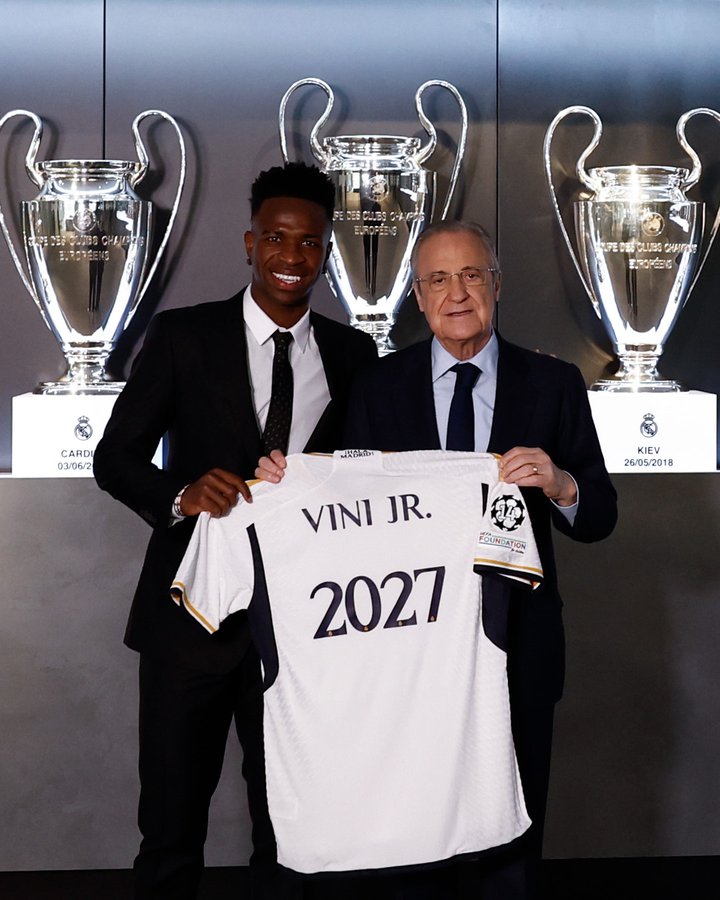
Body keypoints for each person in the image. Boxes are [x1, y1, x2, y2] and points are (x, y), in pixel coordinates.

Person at [258, 220, 617, 899]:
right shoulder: (378, 385)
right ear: (418, 298)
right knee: (413, 838)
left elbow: (600, 515)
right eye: (439, 280)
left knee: (511, 840)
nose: (457, 294)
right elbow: (345, 504)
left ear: (497, 285)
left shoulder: (554, 382)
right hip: (409, 656)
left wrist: (562, 484)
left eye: (472, 275)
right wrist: (286, 483)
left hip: (517, 649)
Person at [93, 161, 377, 900]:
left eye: (309, 242)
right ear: (251, 242)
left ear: (326, 252)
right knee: (170, 829)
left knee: (289, 830)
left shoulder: (355, 356)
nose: (292, 256)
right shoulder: (183, 337)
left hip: (300, 629)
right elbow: (114, 458)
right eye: (277, 238)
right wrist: (181, 494)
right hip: (189, 618)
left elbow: (367, 478)